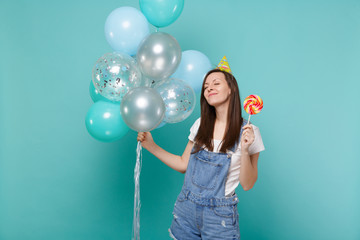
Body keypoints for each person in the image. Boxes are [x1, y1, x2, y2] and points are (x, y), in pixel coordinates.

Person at [137, 56, 265, 240]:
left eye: (216, 83)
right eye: (205, 87)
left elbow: (248, 184)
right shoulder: (200, 124)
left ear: (231, 89)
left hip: (219, 217)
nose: (209, 88)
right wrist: (151, 146)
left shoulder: (249, 132)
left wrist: (244, 150)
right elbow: (183, 164)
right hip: (186, 209)